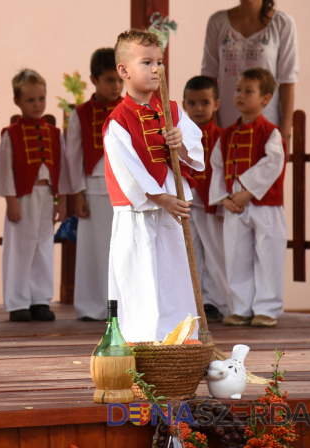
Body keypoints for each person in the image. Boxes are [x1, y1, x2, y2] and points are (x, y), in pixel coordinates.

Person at [103, 29, 204, 342]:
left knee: (175, 274)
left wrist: (181, 143)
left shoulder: (172, 110)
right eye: (146, 62)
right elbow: (127, 169)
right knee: (141, 276)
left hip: (171, 211)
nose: (156, 69)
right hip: (140, 214)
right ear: (124, 70)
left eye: (159, 62)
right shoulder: (117, 121)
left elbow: (194, 149)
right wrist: (161, 197)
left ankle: (181, 339)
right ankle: (143, 340)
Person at [0, 69, 69, 322]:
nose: (37, 104)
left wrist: (62, 200)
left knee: (43, 247)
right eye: (31, 100)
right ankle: (18, 302)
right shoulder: (11, 133)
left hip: (46, 196)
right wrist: (11, 200)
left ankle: (40, 300)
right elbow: (4, 169)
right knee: (19, 250)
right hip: (22, 198)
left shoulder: (54, 134)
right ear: (17, 101)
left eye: (41, 99)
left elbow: (64, 169)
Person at [209, 67, 286, 328]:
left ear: (265, 98)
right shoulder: (226, 134)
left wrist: (248, 192)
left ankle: (267, 308)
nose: (240, 95)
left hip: (264, 205)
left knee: (268, 255)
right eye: (238, 90)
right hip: (234, 205)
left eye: (248, 91)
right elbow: (217, 167)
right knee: (236, 254)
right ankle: (241, 307)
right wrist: (224, 197)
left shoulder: (271, 132)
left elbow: (273, 163)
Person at [201, 0, 299, 149]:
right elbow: (209, 77)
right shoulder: (217, 22)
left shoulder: (283, 24)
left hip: (267, 126)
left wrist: (285, 131)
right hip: (225, 124)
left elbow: (287, 80)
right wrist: (212, 124)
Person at [66, 48, 123, 321]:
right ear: (94, 79)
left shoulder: (130, 110)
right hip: (93, 190)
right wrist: (77, 192)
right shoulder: (81, 114)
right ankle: (91, 307)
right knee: (93, 251)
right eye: (109, 80)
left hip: (125, 191)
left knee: (124, 250)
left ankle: (123, 310)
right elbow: (72, 157)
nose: (116, 86)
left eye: (120, 80)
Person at [182, 75, 231, 323]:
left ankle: (214, 302)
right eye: (192, 103)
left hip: (212, 204)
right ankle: (192, 303)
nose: (198, 108)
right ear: (183, 105)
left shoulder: (224, 136)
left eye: (204, 102)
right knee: (189, 254)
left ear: (216, 104)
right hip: (186, 203)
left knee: (214, 253)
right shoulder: (178, 135)